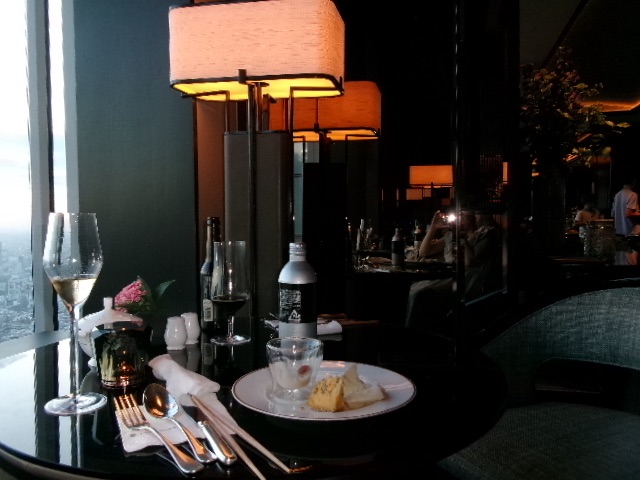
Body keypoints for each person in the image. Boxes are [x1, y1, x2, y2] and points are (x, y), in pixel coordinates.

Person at [405, 208, 501, 334]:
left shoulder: (485, 235)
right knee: (411, 288)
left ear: (473, 217)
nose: (458, 218)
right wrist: (433, 228)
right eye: (457, 215)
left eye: (462, 215)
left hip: (466, 279)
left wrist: (462, 238)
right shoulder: (451, 236)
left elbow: (469, 262)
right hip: (449, 275)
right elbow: (423, 252)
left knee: (420, 293)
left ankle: (412, 334)